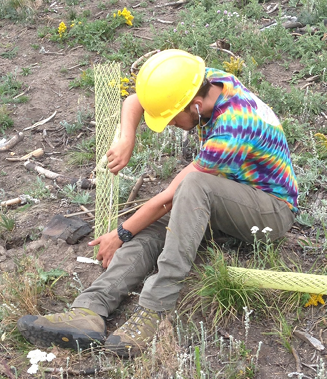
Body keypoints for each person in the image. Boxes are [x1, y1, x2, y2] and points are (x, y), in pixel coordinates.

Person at [17, 49, 298, 357]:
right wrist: (126, 138)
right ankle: (90, 310)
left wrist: (120, 233)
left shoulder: (234, 127)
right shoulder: (204, 82)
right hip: (227, 195)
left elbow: (168, 199)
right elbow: (137, 99)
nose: (169, 125)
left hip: (269, 213)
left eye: (172, 118)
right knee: (155, 228)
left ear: (195, 106)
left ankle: (155, 308)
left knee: (188, 188)